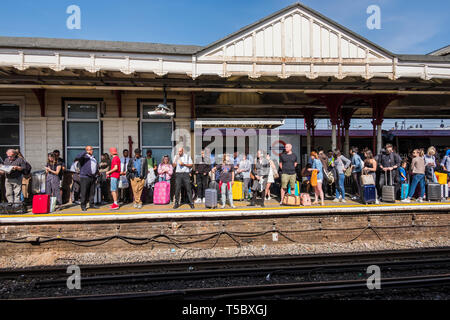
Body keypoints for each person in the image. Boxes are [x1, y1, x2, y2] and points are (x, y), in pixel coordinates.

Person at [74, 146, 99, 211]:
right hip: (85, 177)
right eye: (91, 149)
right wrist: (85, 152)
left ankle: (91, 204)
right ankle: (83, 205)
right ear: (87, 150)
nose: (92, 150)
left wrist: (97, 173)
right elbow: (77, 157)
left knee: (92, 191)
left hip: (93, 177)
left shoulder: (93, 157)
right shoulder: (84, 157)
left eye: (92, 149)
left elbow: (95, 166)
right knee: (84, 192)